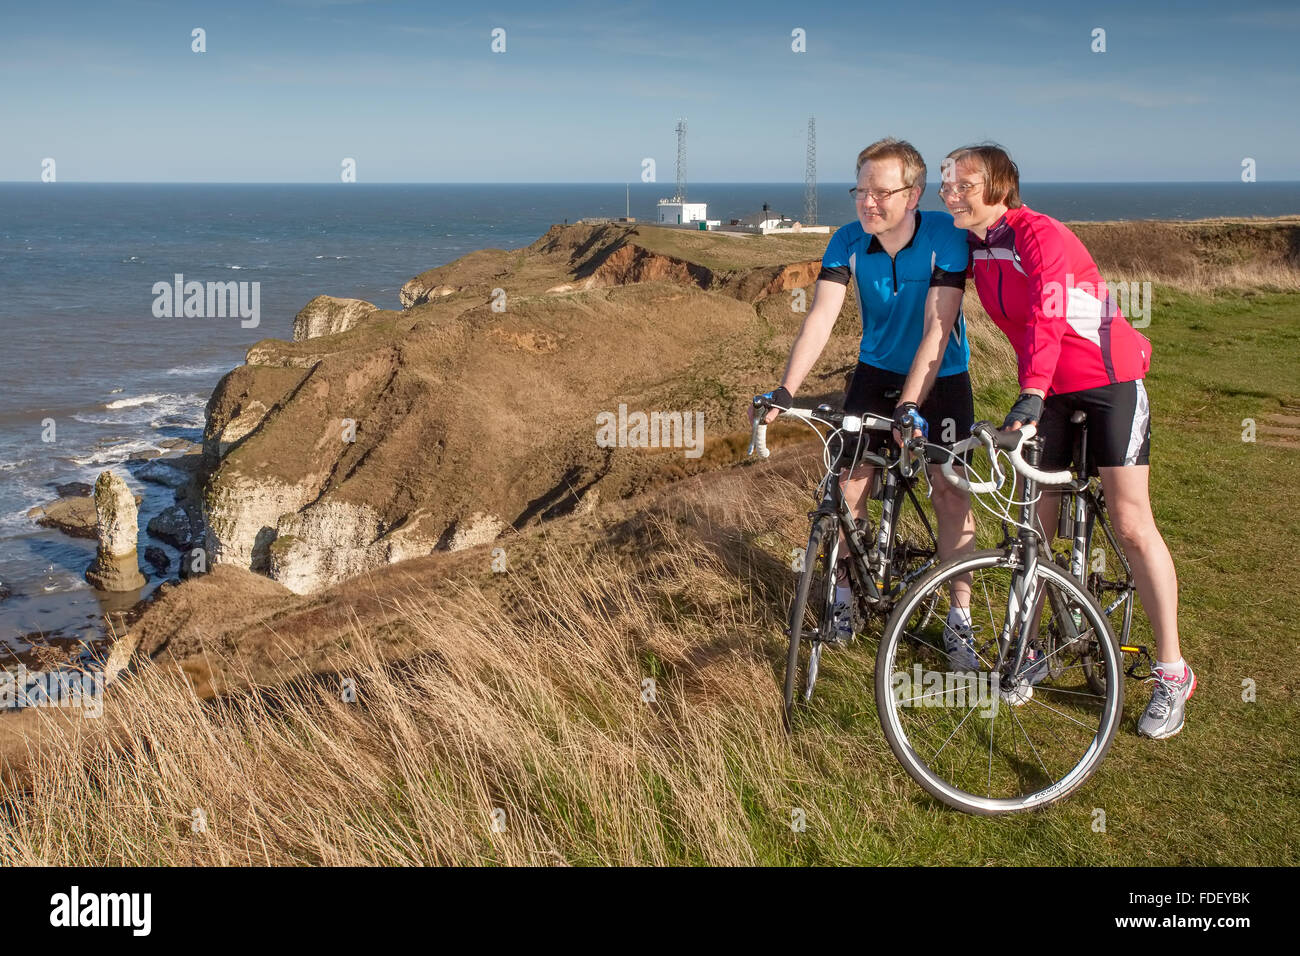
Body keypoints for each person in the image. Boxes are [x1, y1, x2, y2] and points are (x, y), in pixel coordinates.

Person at [908, 142, 1193, 738]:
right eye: (943, 185)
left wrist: (1030, 394)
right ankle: (1030, 648)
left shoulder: (1042, 235)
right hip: (1048, 394)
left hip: (1108, 381)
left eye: (960, 185)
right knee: (1032, 527)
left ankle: (1172, 670)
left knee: (1132, 521)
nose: (948, 194)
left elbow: (1048, 316)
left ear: (998, 189)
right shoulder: (976, 245)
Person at [751, 138, 977, 663]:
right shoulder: (847, 241)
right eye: (860, 190)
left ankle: (960, 616)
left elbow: (937, 330)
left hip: (942, 374)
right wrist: (787, 388)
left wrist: (912, 403)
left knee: (949, 489)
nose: (867, 202)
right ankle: (845, 596)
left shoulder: (947, 237)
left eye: (881, 192)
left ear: (915, 193)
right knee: (847, 489)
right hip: (874, 375)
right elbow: (822, 318)